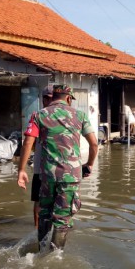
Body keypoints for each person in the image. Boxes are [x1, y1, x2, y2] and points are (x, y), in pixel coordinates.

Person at [17, 84, 98, 252]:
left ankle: (41, 249)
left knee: (44, 214)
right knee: (62, 220)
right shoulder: (80, 115)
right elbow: (94, 144)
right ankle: (54, 256)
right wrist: (89, 164)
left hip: (47, 176)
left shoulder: (38, 115)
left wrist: (21, 170)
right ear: (69, 98)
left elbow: (28, 142)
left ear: (52, 97)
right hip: (70, 177)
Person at [30, 85, 54, 228]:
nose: (52, 102)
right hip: (40, 169)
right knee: (38, 202)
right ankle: (37, 230)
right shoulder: (38, 116)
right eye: (49, 99)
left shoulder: (57, 116)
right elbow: (29, 142)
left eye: (54, 99)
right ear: (43, 99)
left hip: (55, 169)